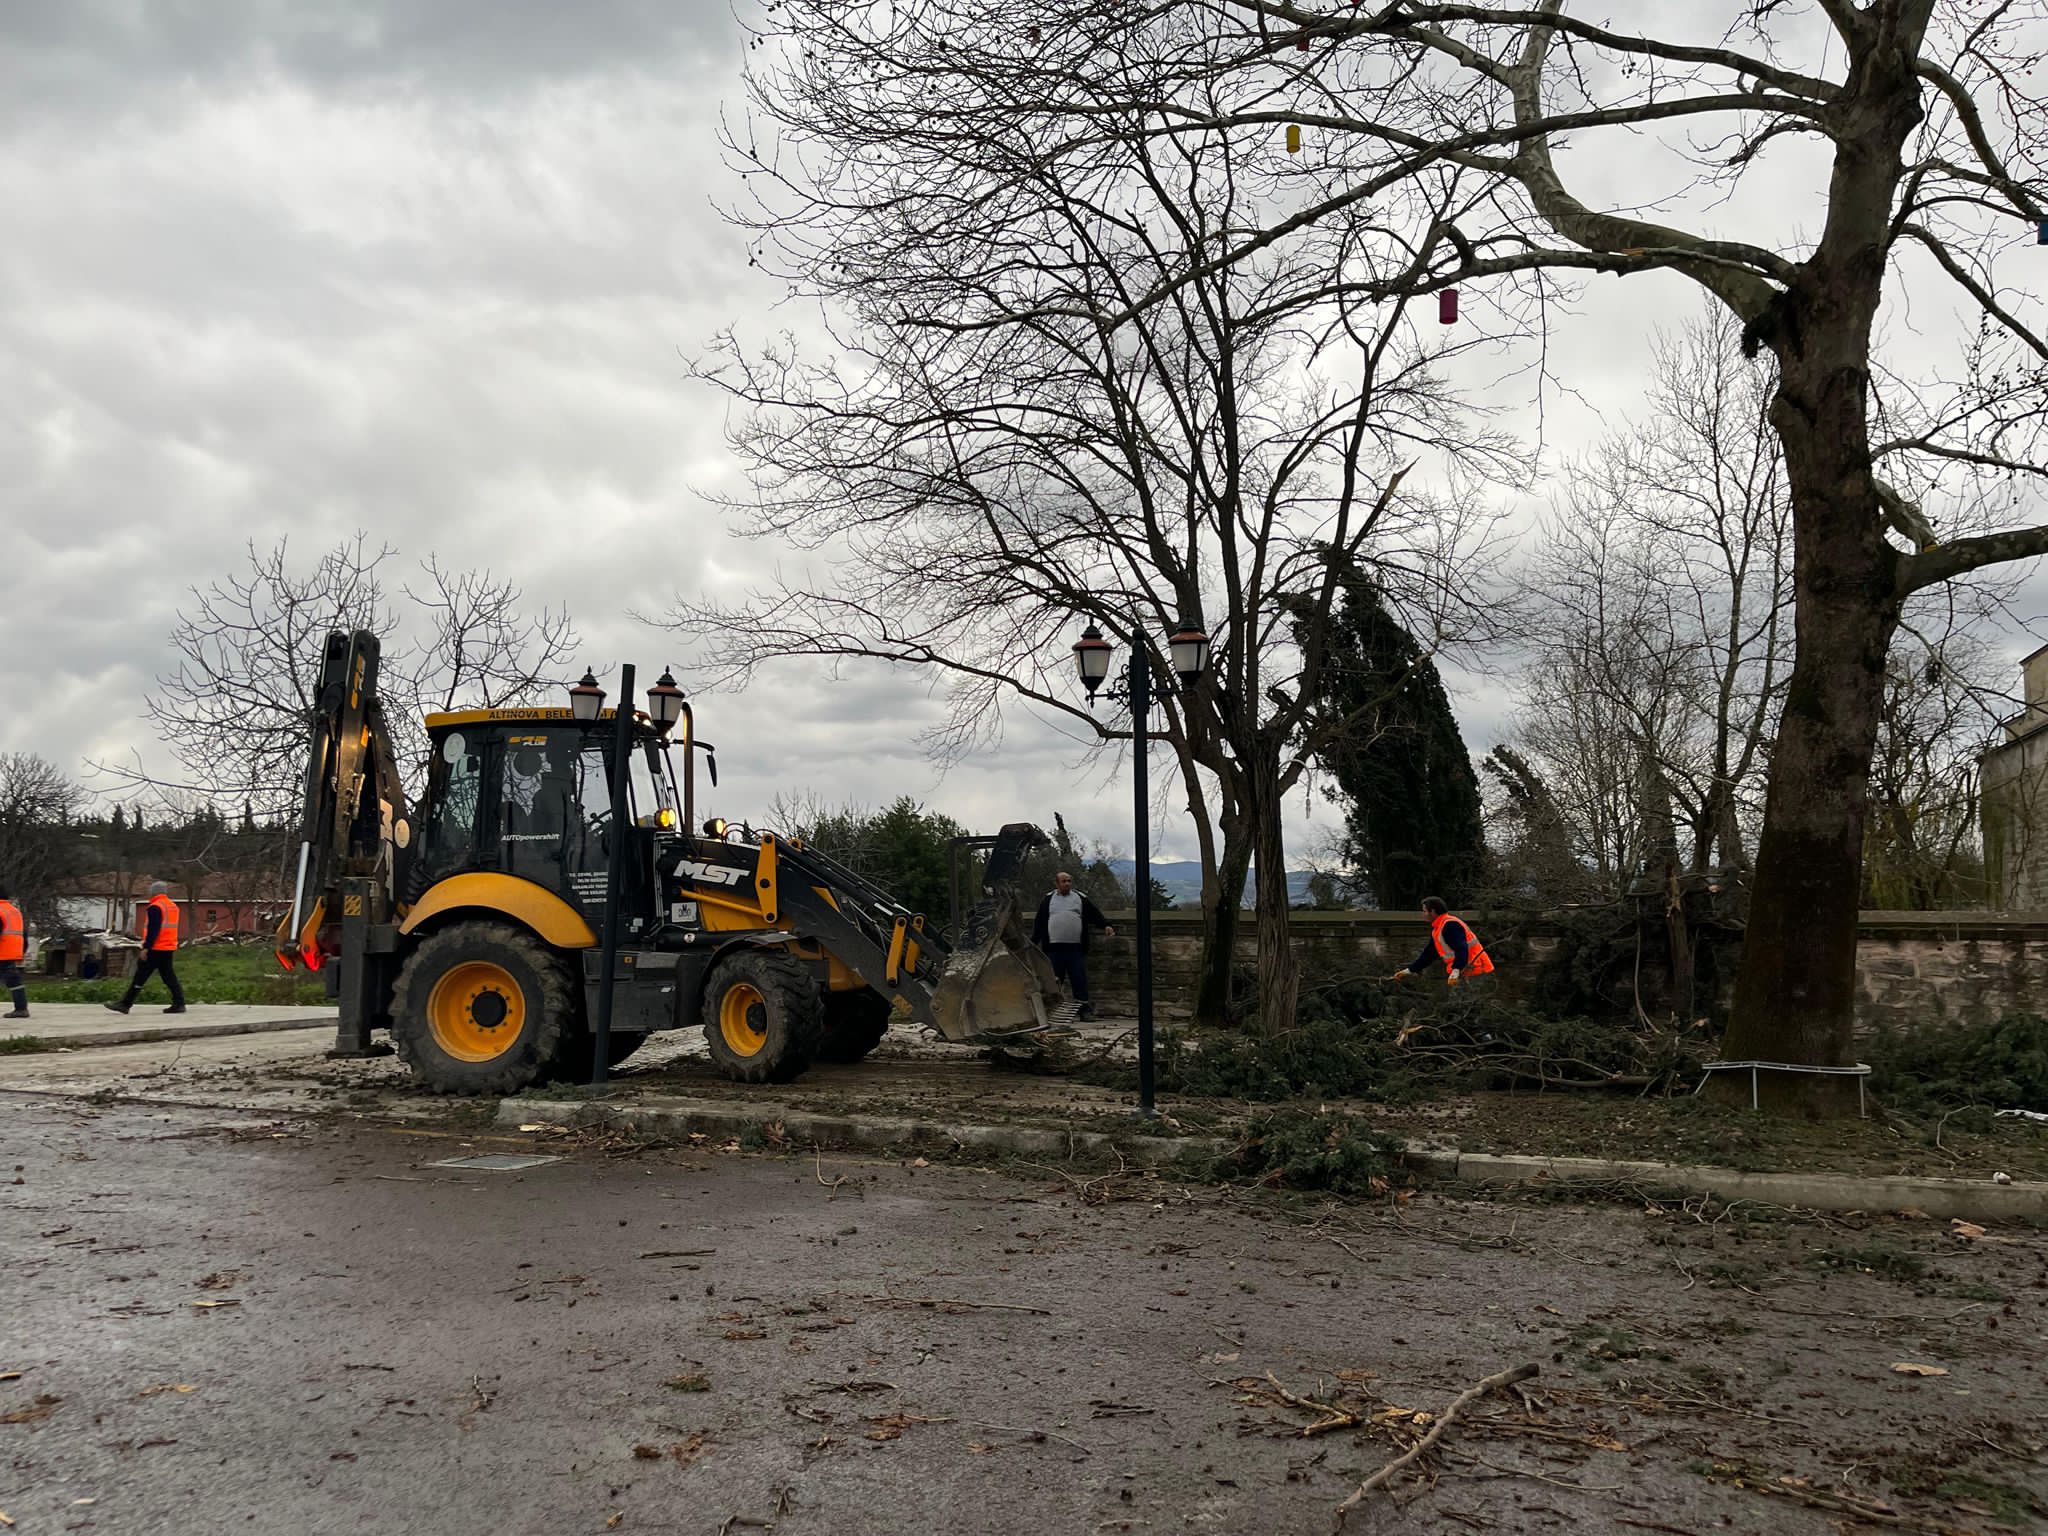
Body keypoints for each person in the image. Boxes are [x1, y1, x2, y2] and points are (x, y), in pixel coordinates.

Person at [1031, 870, 1116, 1022]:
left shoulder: (1080, 898)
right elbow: (1040, 922)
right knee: (1054, 981)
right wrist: (1033, 942)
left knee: (1079, 979)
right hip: (1054, 949)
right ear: (1056, 883)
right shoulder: (1048, 899)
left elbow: (1094, 913)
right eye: (1064, 881)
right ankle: (1052, 1010)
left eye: (1069, 881)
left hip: (1075, 948)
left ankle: (1084, 1011)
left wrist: (1106, 925)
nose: (1067, 884)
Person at [106, 881, 186, 1015]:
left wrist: (146, 947)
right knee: (169, 976)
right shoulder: (173, 906)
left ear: (154, 892)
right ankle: (179, 1003)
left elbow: (153, 930)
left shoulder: (155, 907)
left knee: (141, 975)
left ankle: (125, 1004)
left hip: (156, 947)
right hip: (169, 947)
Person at [1388, 896, 1494, 987]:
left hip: (1476, 969)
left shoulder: (1449, 925)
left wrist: (1456, 969)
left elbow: (1461, 948)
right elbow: (1429, 955)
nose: (1422, 914)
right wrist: (1409, 970)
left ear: (1433, 911)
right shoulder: (1438, 929)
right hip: (1468, 971)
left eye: (1424, 911)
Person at [0, 882, 28, 1019]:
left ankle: (21, 1009)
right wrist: (23, 950)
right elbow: (24, 933)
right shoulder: (13, 910)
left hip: (2, 950)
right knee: (13, 979)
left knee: (12, 979)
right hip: (12, 950)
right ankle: (21, 1008)